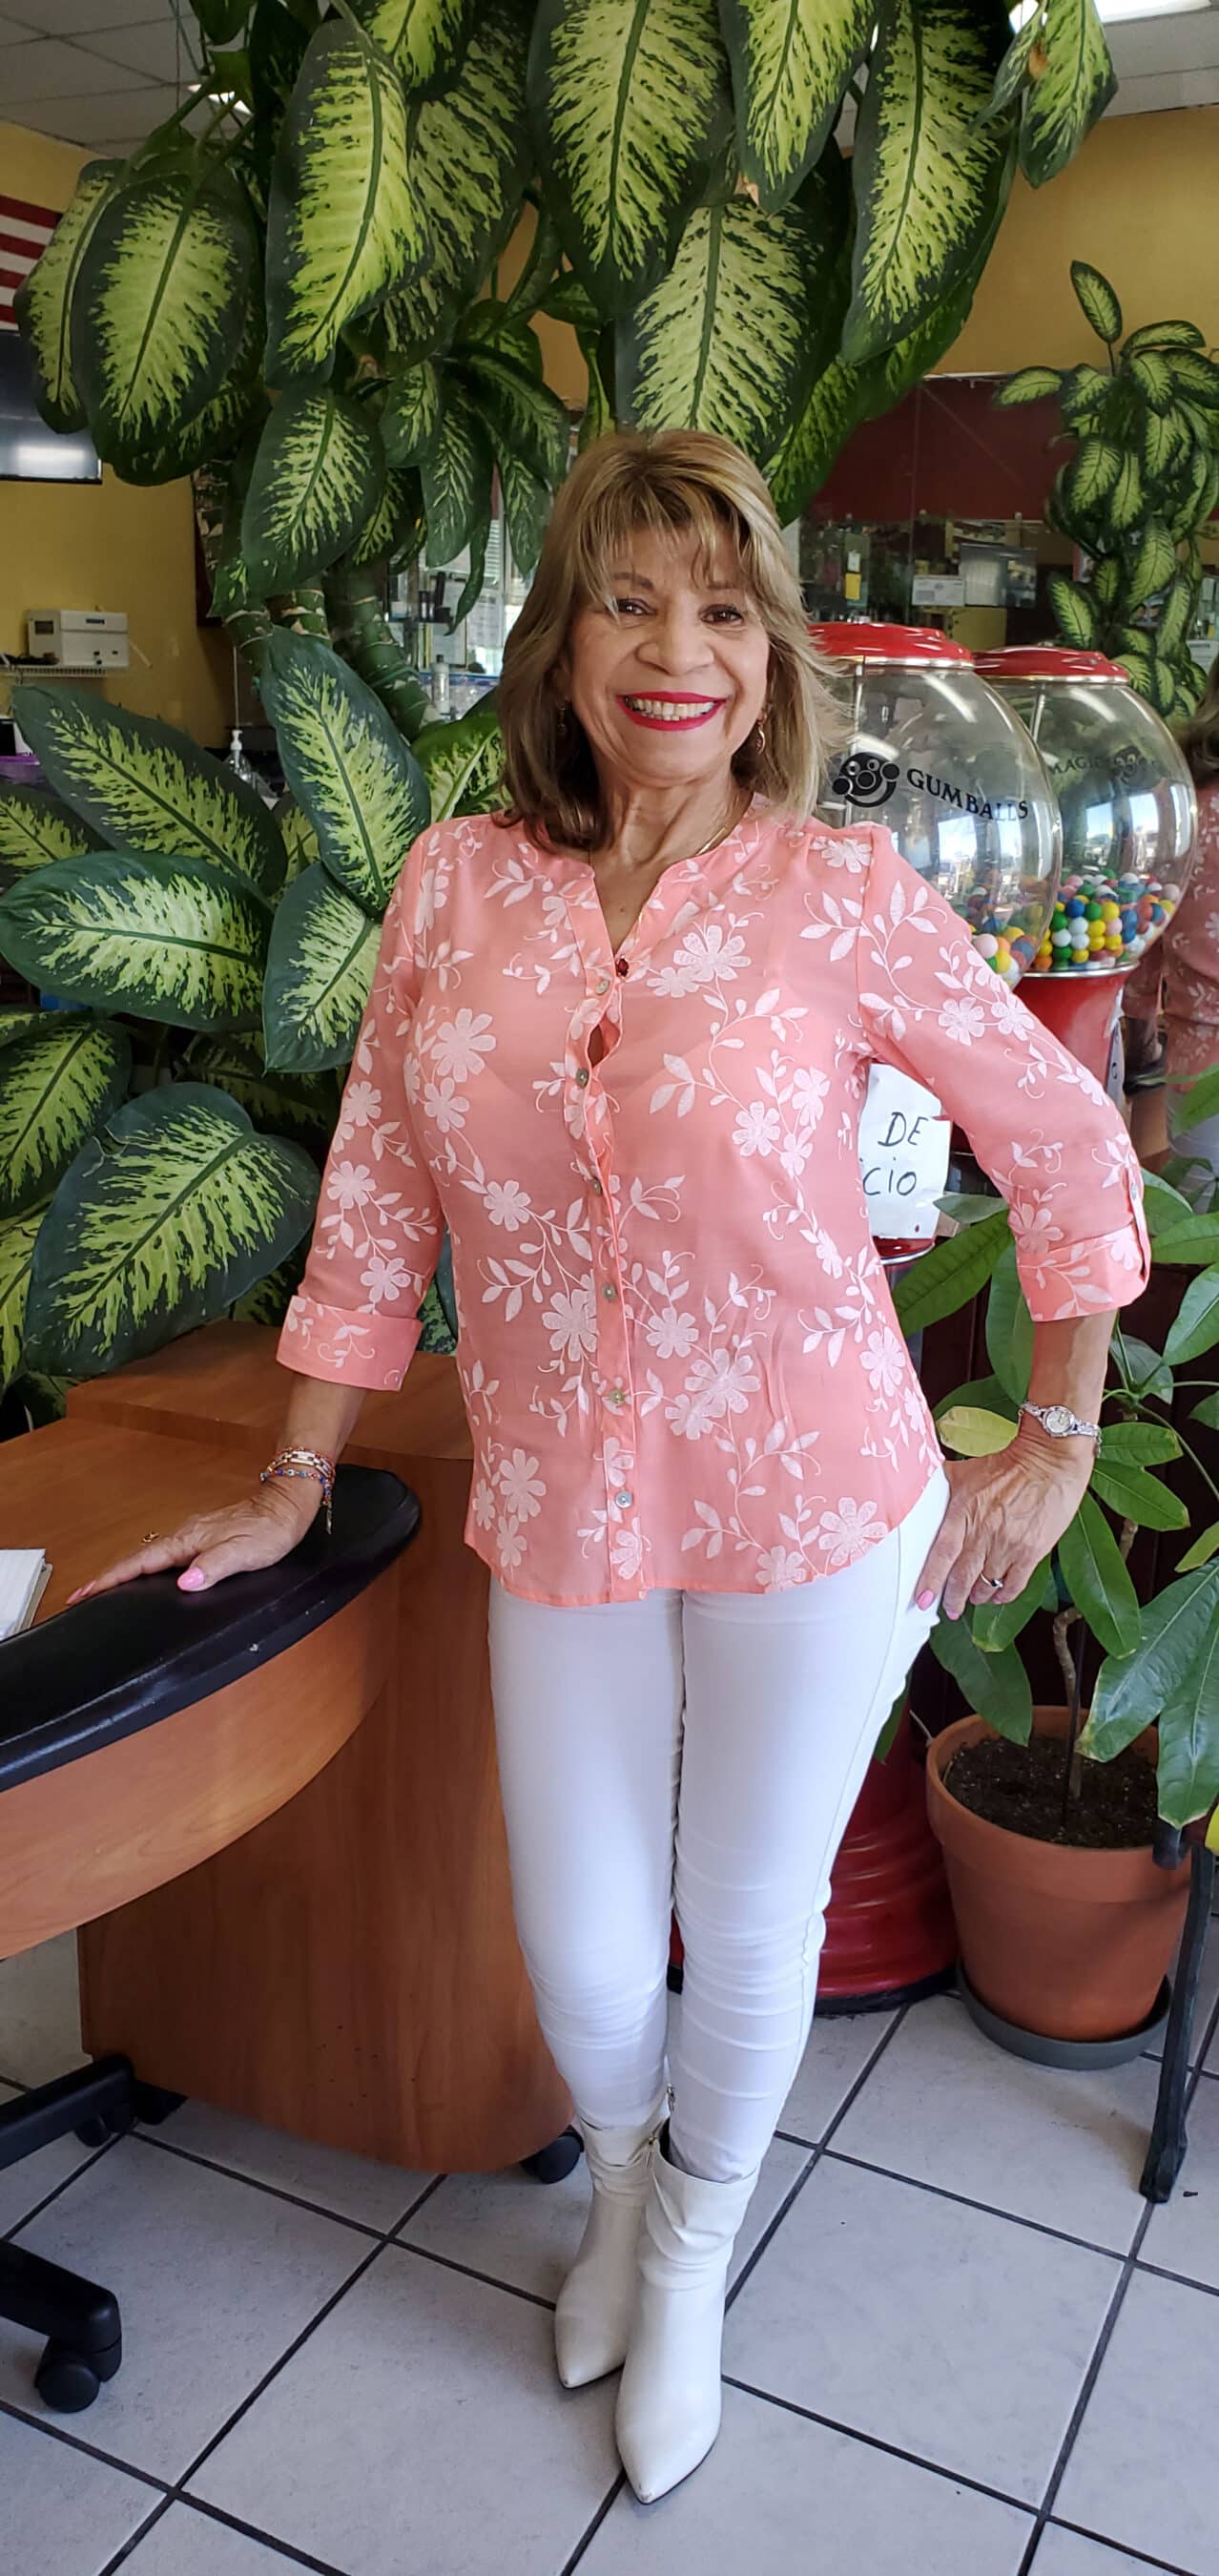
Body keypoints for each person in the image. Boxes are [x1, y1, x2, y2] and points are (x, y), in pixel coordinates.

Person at [72, 431, 1150, 2506]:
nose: (678, 651)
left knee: (739, 1924)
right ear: (561, 641)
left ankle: (692, 2255)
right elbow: (376, 1194)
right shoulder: (454, 887)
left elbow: (1063, 1142)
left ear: (771, 653)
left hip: (813, 1501)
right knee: (579, 1948)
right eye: (631, 601)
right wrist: (293, 1472)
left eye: (724, 610)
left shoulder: (840, 895)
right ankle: (625, 2188)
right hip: (563, 1490)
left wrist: (1055, 1435)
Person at [1124, 657, 1219, 1185]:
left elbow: (1146, 931)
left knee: (1200, 1219)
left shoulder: (1179, 804)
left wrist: (1139, 1034)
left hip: (1200, 1059)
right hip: (1197, 1056)